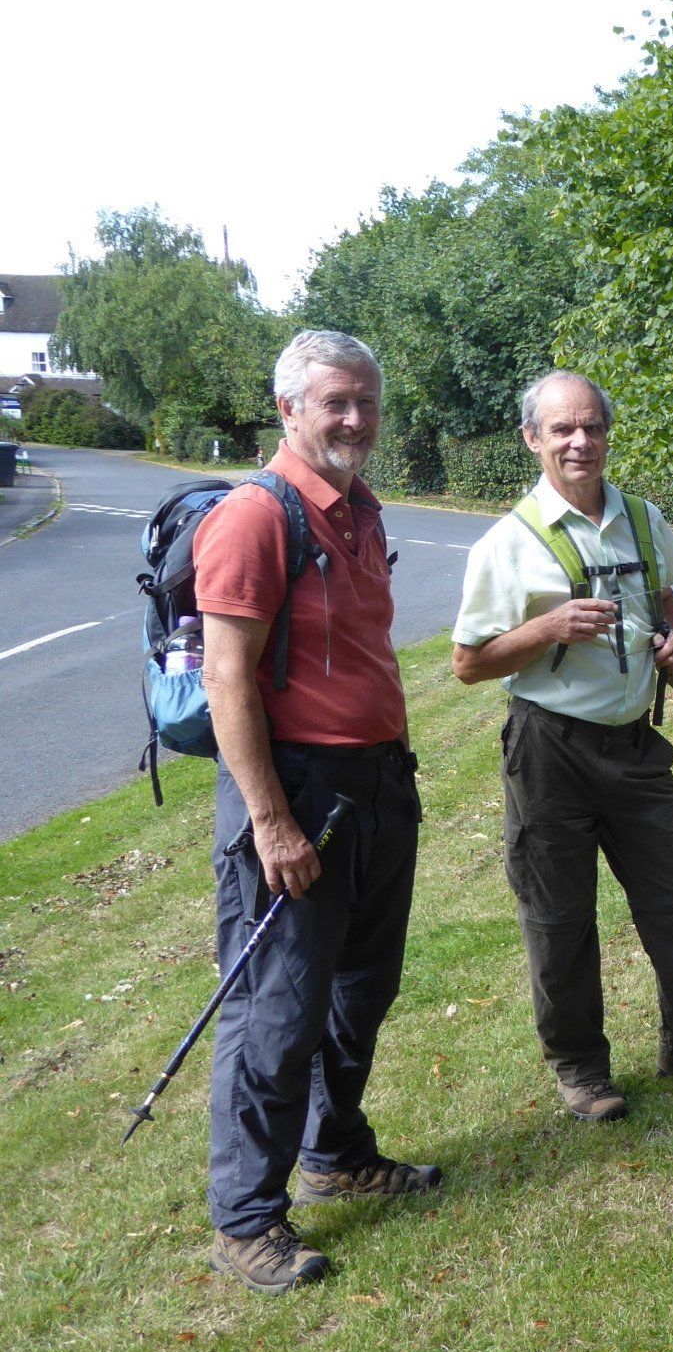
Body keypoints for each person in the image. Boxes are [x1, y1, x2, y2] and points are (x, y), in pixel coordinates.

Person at [451, 371, 673, 1124]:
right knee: (559, 916)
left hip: (634, 744)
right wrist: (545, 630)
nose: (580, 441)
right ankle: (581, 1072)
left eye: (592, 426)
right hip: (548, 750)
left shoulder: (640, 517)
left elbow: (662, 592)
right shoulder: (508, 543)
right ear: (533, 439)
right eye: (562, 429)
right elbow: (468, 664)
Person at [195, 329, 437, 1295]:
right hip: (295, 793)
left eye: (366, 402)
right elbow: (226, 678)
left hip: (378, 786)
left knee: (360, 989)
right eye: (335, 402)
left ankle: (336, 1152)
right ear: (289, 408)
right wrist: (271, 821)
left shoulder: (362, 510)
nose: (354, 419)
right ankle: (246, 1218)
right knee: (275, 1012)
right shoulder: (258, 517)